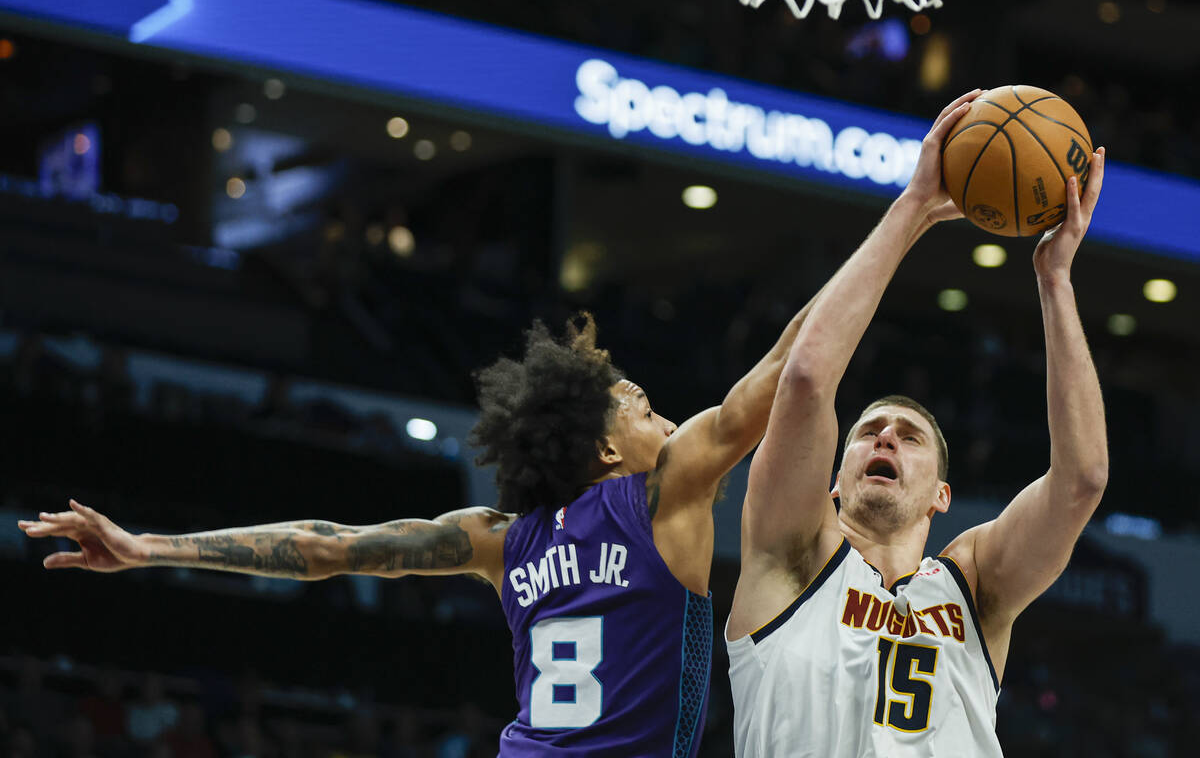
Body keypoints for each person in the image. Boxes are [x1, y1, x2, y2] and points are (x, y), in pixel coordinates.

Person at [20, 281, 833, 755]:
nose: (665, 423)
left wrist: (148, 547)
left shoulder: (502, 539)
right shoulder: (659, 499)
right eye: (648, 412)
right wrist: (906, 212)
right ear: (606, 450)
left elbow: (323, 547)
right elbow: (789, 363)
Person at [725, 91, 1109, 756]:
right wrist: (914, 209)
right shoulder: (788, 560)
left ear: (943, 495)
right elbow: (809, 378)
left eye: (910, 437)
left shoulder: (974, 585)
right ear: (832, 484)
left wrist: (1055, 281)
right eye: (870, 432)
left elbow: (1082, 481)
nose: (884, 438)